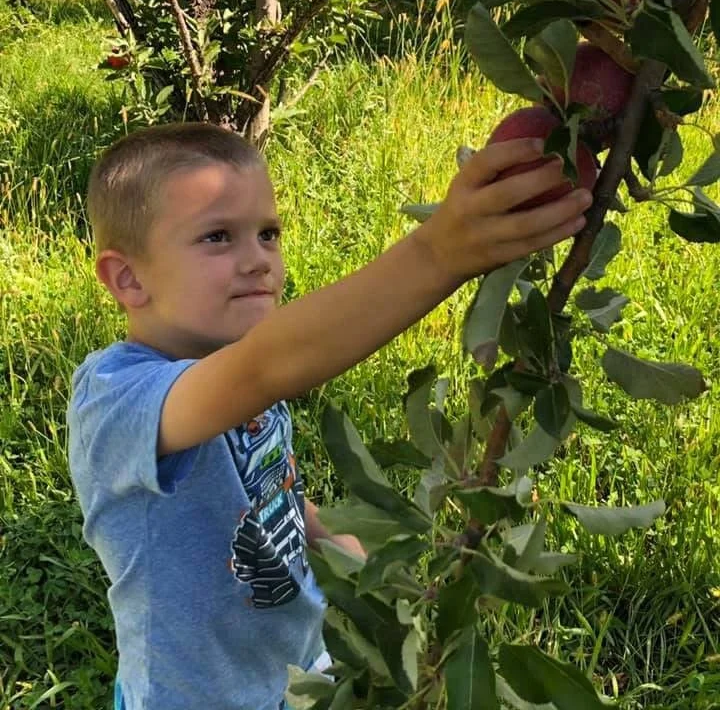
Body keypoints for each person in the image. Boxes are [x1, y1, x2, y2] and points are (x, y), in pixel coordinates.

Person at [67, 121, 592, 710]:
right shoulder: (117, 399)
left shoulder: (233, 367)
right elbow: (266, 366)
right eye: (218, 237)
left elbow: (270, 492)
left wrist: (355, 559)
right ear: (128, 278)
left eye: (268, 234)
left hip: (301, 674)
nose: (257, 261)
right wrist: (440, 252)